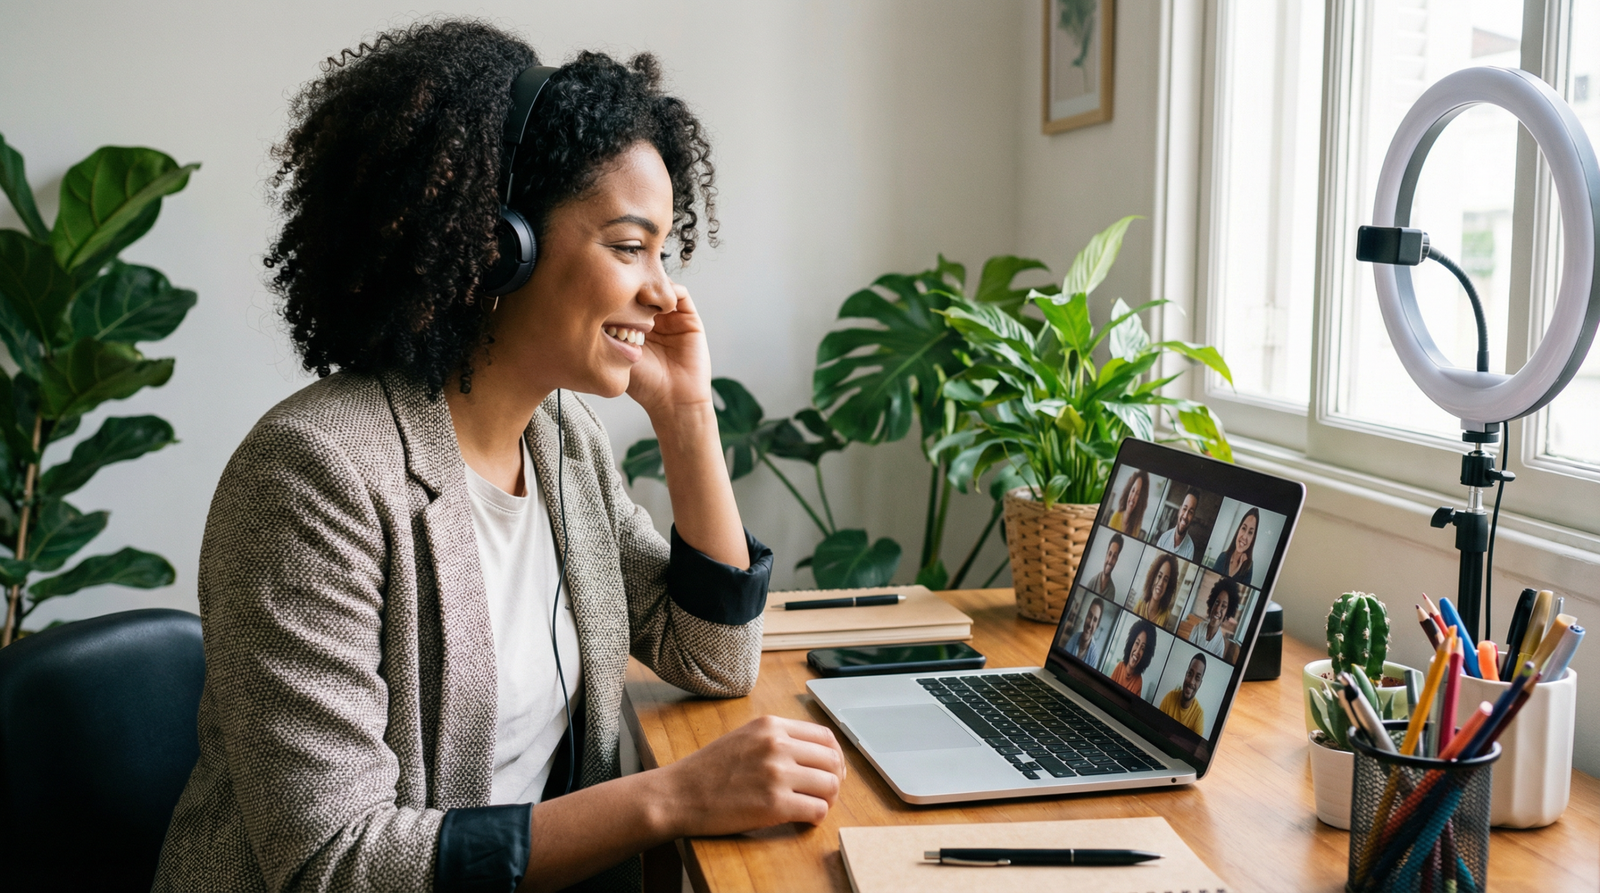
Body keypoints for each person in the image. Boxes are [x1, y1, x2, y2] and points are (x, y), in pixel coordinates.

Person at [154, 23, 845, 893]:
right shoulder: (313, 473)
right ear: (500, 243)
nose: (664, 289)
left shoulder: (560, 445)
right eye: (630, 246)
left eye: (664, 251)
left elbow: (713, 655)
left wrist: (686, 413)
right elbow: (337, 861)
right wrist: (665, 800)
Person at [1189, 577, 1240, 658]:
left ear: (1228, 612)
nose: (1218, 609)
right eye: (1216, 602)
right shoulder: (1197, 628)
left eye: (1223, 606)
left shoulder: (1220, 646)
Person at [1159, 654, 1209, 736]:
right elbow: (1156, 728)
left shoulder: (1199, 715)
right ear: (1186, 674)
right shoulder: (1169, 697)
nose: (1191, 682)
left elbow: (1194, 747)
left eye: (1197, 678)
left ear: (1200, 684)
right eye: (1190, 673)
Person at [1108, 619, 1158, 698]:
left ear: (1145, 655)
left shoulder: (1138, 681)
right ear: (1131, 643)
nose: (1137, 651)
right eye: (1137, 643)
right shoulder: (1119, 666)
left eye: (1142, 648)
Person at [1132, 552, 1180, 629]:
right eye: (1159, 576)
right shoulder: (1139, 605)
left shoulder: (1166, 617)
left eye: (1166, 580)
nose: (1160, 583)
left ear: (1169, 586)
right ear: (1153, 577)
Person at [1211, 507, 1259, 583]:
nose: (1244, 536)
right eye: (1243, 528)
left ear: (1253, 538)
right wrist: (1235, 570)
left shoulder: (1249, 567)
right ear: (1238, 530)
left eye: (1250, 532)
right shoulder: (1222, 557)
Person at [1153, 489, 1199, 559]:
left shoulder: (1190, 548)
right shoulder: (1164, 538)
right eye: (1184, 509)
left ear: (1193, 517)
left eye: (1190, 512)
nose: (1185, 516)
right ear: (1180, 510)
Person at [1108, 470, 1150, 538]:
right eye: (1133, 490)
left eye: (1137, 494)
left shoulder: (1136, 525)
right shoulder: (1116, 515)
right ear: (1128, 491)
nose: (1133, 497)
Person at [1065, 597, 1107, 667]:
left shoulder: (1094, 656)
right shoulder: (1074, 638)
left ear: (1097, 626)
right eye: (1090, 616)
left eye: (1095, 620)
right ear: (1086, 616)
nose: (1090, 624)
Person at [1085, 533, 1124, 600]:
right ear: (1106, 554)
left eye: (1114, 556)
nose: (1110, 561)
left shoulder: (1112, 591)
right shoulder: (1092, 581)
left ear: (1117, 560)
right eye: (1109, 554)